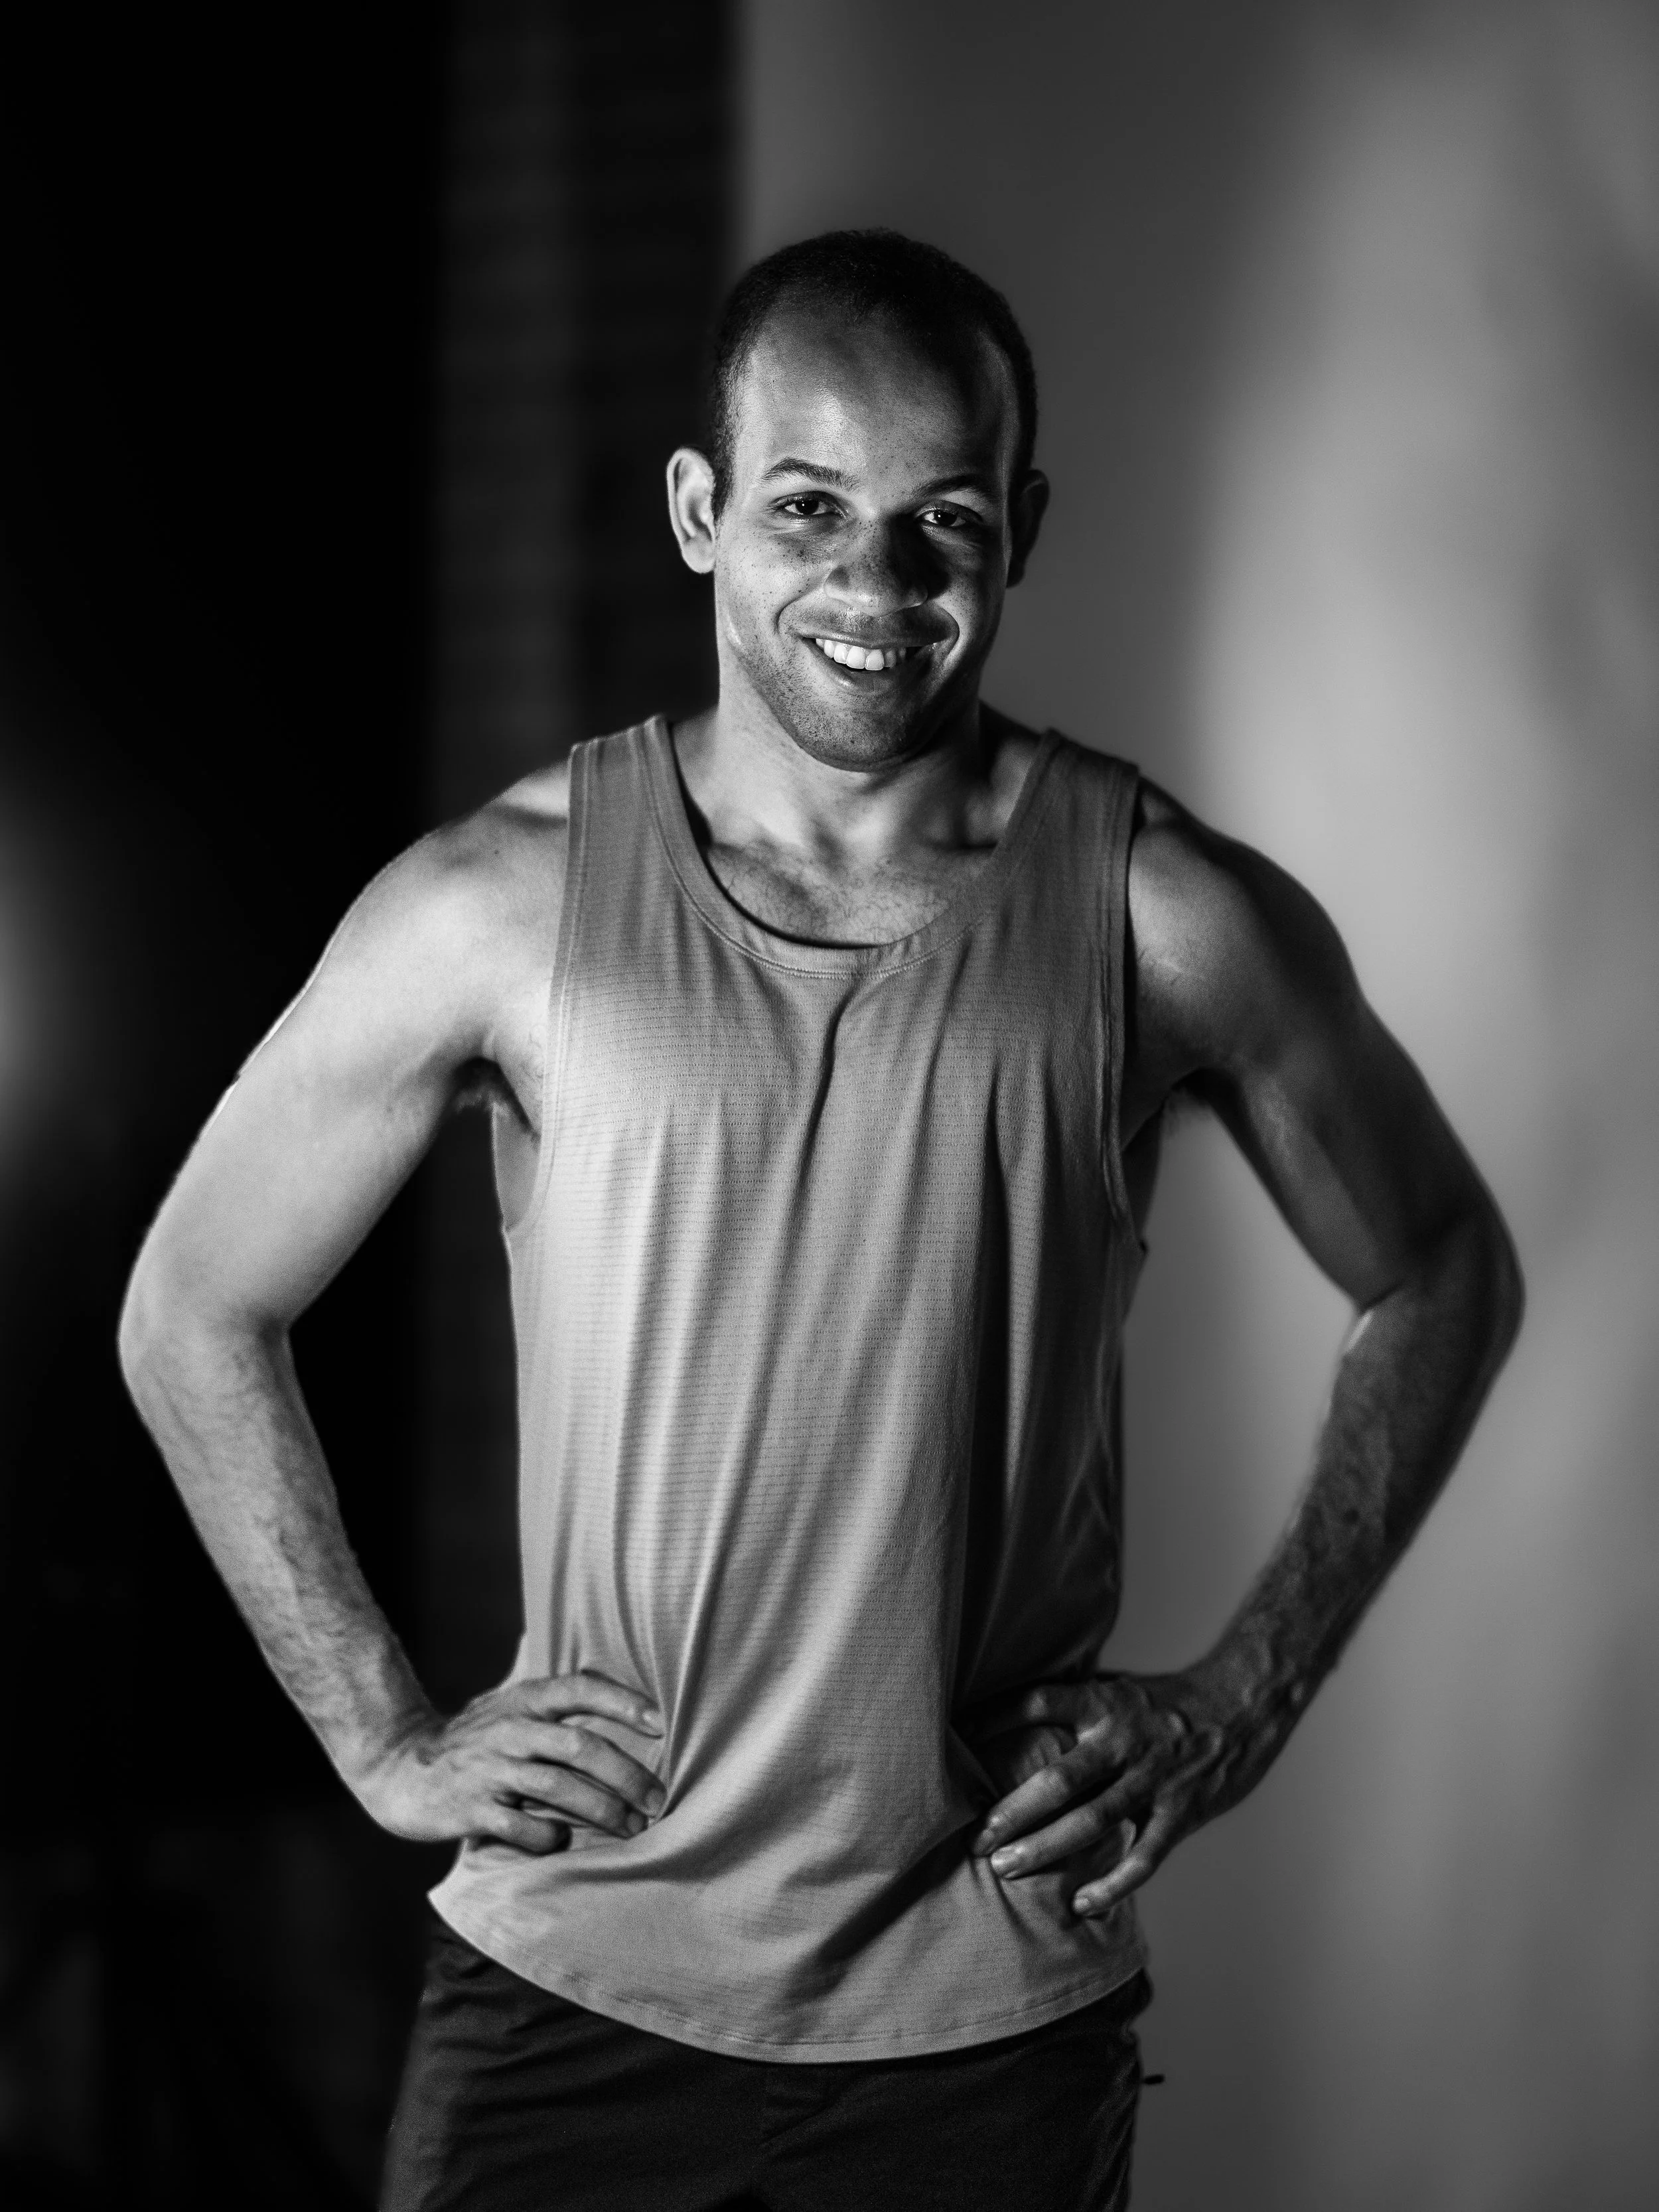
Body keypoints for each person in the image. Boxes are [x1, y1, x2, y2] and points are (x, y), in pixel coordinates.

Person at [119, 230, 1522, 2211]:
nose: (878, 588)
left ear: (1019, 524)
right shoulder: (496, 903)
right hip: (572, 1984)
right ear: (700, 513)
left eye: (943, 522)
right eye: (809, 511)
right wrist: (381, 1732)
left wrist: (1241, 1698)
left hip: (983, 2019)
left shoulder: (1161, 911)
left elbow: (1440, 1265)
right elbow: (190, 1303)